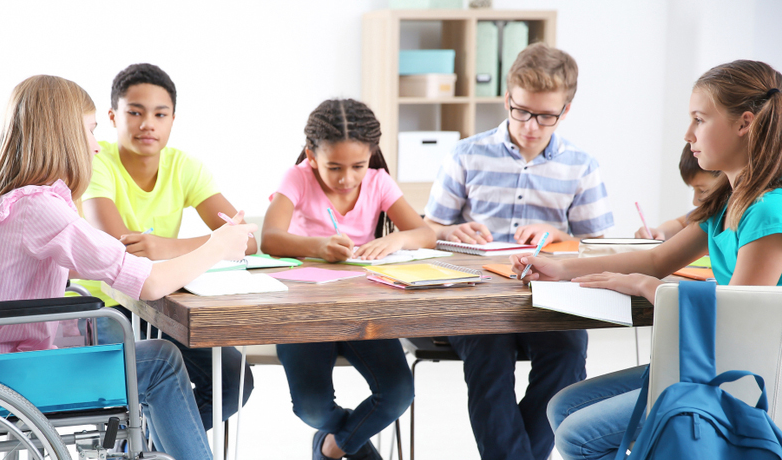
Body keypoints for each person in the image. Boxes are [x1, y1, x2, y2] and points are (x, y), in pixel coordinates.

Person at [0, 75, 256, 460]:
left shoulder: (20, 200)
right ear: (63, 134)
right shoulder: (41, 209)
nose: (95, 145)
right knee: (161, 361)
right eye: (90, 131)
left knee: (159, 357)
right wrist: (216, 246)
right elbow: (149, 281)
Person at [527, 59, 782, 460]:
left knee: (578, 436)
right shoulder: (727, 202)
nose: (688, 134)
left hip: (744, 375)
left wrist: (651, 290)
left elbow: (739, 321)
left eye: (699, 119)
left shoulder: (768, 212)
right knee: (562, 408)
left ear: (744, 123)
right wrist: (559, 268)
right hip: (711, 358)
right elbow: (657, 258)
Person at [423, 43, 614, 460]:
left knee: (568, 354)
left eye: (546, 116)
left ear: (566, 111)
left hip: (551, 300)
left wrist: (557, 234)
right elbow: (427, 230)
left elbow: (600, 248)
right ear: (508, 99)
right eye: (522, 111)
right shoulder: (466, 154)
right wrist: (454, 229)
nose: (531, 125)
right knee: (488, 357)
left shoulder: (581, 166)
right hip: (475, 298)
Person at [76, 63, 255, 430]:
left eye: (160, 114)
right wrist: (216, 244)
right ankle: (139, 447)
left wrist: (165, 246)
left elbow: (246, 239)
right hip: (106, 305)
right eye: (135, 112)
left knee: (233, 382)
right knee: (149, 379)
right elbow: (120, 248)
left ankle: (142, 450)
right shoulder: (98, 162)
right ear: (112, 116)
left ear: (174, 119)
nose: (148, 124)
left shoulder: (184, 167)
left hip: (160, 304)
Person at [261, 98, 432, 460]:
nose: (346, 178)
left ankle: (331, 447)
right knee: (311, 409)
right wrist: (317, 245)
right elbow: (270, 238)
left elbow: (424, 233)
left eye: (358, 165)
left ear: (371, 155)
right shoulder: (297, 179)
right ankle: (350, 444)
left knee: (399, 393)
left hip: (363, 311)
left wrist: (397, 238)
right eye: (334, 167)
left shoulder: (378, 182)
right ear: (311, 155)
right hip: (304, 312)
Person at [634, 144, 720, 240]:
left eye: (702, 191)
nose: (695, 202)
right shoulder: (706, 216)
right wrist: (660, 232)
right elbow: (680, 224)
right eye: (693, 189)